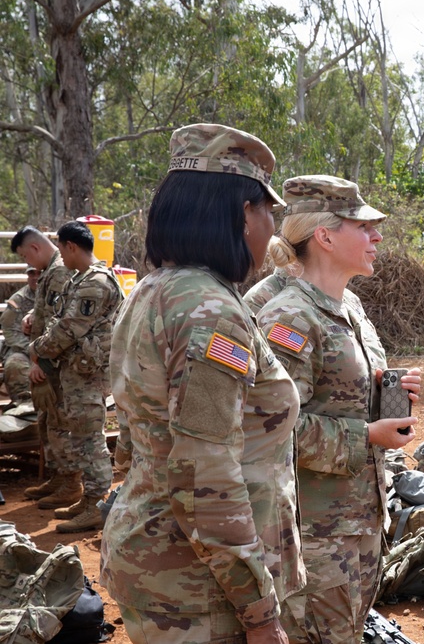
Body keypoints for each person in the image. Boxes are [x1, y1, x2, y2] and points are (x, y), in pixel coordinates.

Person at [100, 123, 305, 644]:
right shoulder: (210, 310)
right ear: (243, 214)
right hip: (200, 587)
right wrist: (259, 612)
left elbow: (139, 439)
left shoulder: (155, 289)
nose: (270, 229)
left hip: (165, 557)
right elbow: (204, 474)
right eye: (267, 212)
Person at [254, 175, 419, 644]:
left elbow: (338, 394)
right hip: (312, 537)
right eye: (363, 226)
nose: (377, 236)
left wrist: (386, 390)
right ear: (324, 237)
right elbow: (271, 430)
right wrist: (368, 436)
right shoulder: (290, 319)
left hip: (359, 520)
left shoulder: (350, 306)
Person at [27, 221, 123, 533]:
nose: (61, 259)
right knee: (80, 434)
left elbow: (68, 327)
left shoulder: (94, 282)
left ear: (71, 246)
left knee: (89, 436)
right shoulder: (81, 279)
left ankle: (97, 504)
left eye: (63, 250)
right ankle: (88, 500)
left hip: (88, 373)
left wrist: (37, 349)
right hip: (77, 370)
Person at [10, 226, 76, 506]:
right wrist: (29, 316)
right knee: (48, 421)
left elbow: (61, 323)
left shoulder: (60, 272)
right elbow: (46, 312)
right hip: (44, 359)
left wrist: (39, 361)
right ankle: (59, 476)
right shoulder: (50, 272)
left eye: (26, 257)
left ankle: (72, 482)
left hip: (55, 363)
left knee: (60, 423)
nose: (28, 264)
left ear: (35, 248)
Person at [1, 266, 39, 409]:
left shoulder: (56, 296)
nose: (35, 276)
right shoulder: (18, 299)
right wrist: (31, 349)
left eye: (39, 273)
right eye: (31, 273)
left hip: (51, 347)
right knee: (15, 365)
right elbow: (9, 330)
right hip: (23, 348)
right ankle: (23, 405)